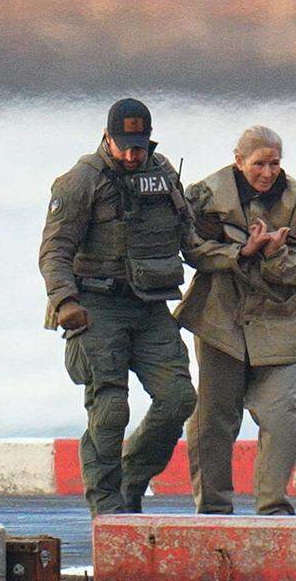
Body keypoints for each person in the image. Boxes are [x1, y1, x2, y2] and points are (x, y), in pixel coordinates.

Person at [39, 98, 198, 516]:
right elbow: (55, 250)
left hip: (150, 304)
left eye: (139, 146)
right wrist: (64, 300)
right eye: (125, 146)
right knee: (110, 408)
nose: (132, 155)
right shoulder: (80, 182)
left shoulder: (162, 174)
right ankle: (107, 507)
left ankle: (133, 475)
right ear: (107, 138)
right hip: (97, 305)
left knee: (179, 397)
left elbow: (189, 235)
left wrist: (237, 253)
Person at [174, 125, 296, 515]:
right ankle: (213, 508)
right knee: (213, 419)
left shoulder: (294, 198)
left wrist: (276, 254)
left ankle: (272, 507)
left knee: (283, 416)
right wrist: (240, 252)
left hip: (277, 322)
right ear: (239, 161)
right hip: (220, 321)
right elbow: (189, 247)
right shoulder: (206, 194)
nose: (268, 172)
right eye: (259, 164)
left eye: (274, 163)